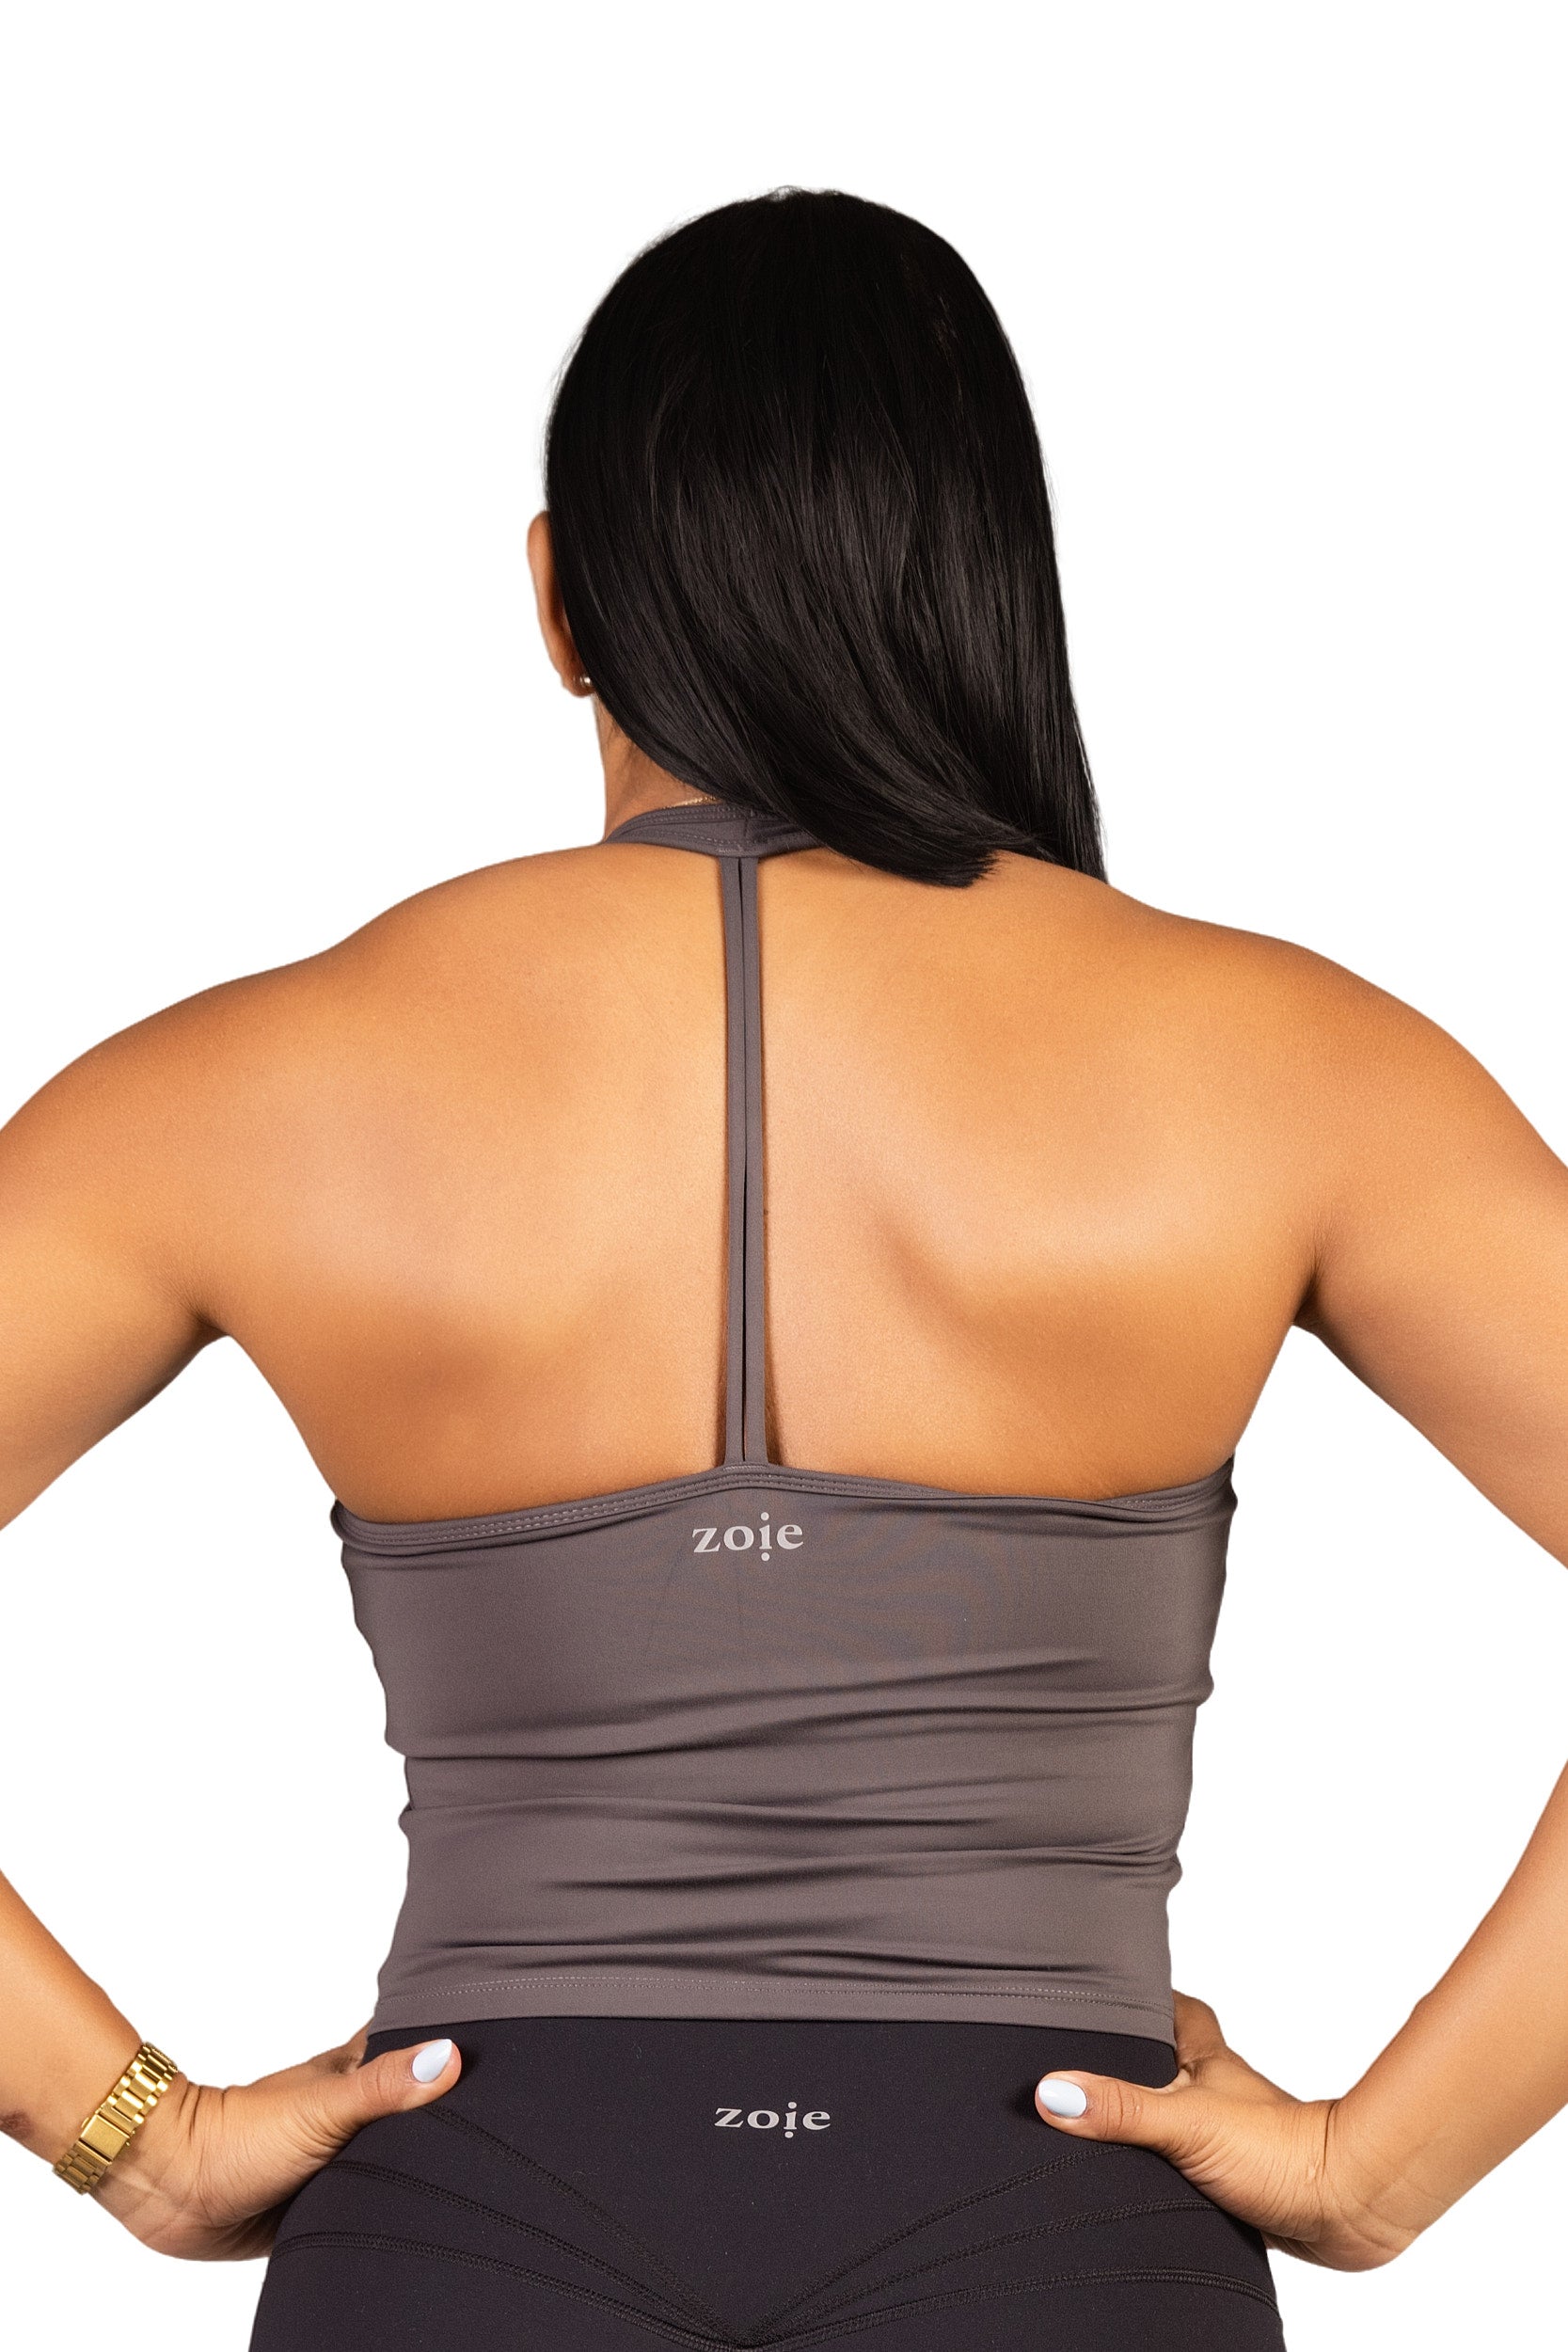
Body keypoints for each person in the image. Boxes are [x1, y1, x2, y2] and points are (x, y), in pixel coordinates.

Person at [3, 189, 1566, 2352]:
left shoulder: (250, 1080)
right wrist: (1375, 2170)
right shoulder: (1298, 1063)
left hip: (467, 2227)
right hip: (1055, 2235)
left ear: (559, 598)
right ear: (985, 577)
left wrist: (135, 2131)